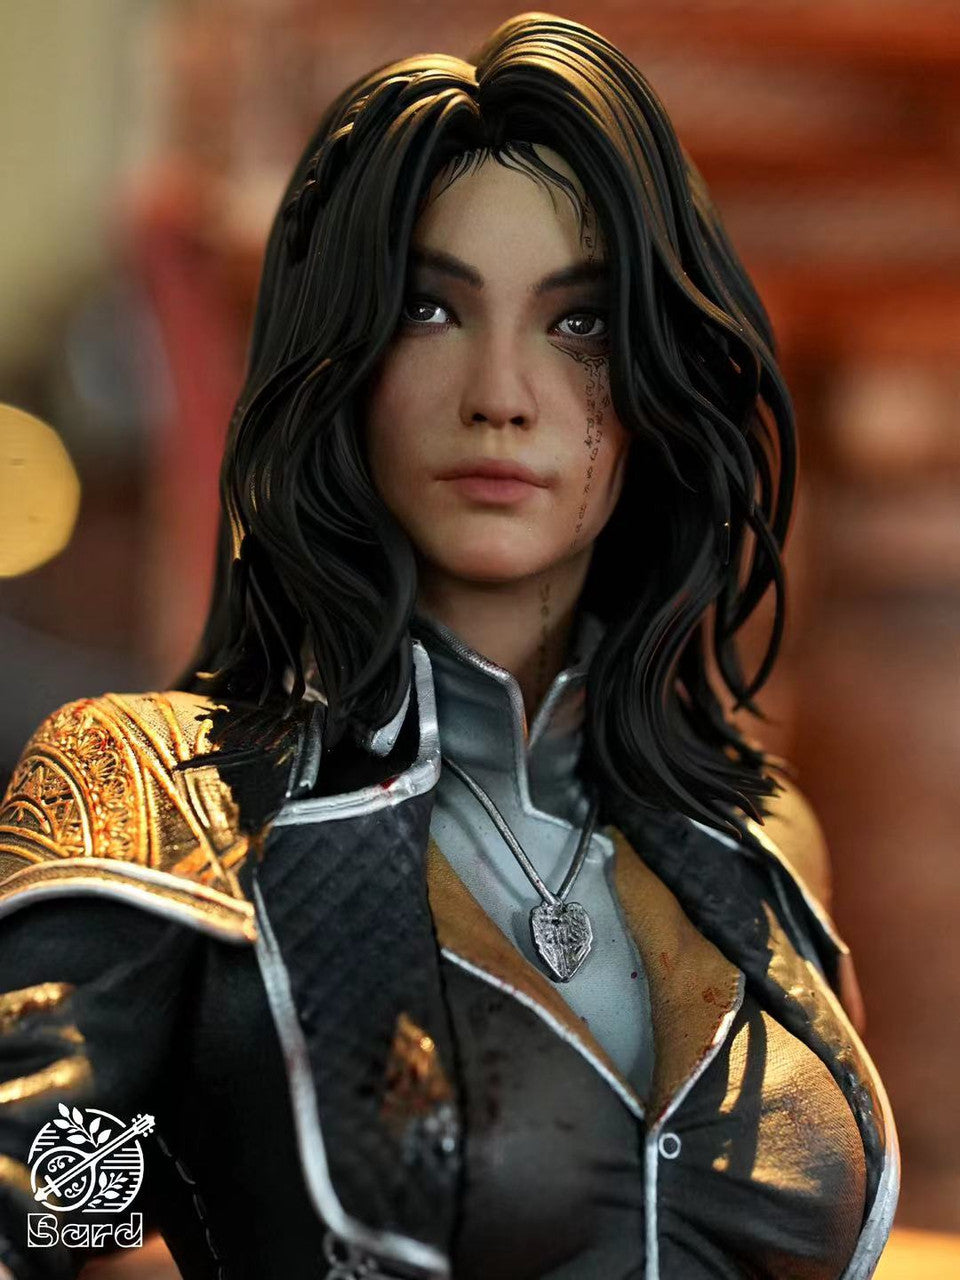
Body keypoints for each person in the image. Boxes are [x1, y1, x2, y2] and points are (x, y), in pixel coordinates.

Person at [0, 12, 898, 1279]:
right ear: (343, 356)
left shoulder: (759, 835)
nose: (501, 394)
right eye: (430, 308)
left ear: (656, 379)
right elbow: (34, 1230)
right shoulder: (153, 795)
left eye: (580, 323)